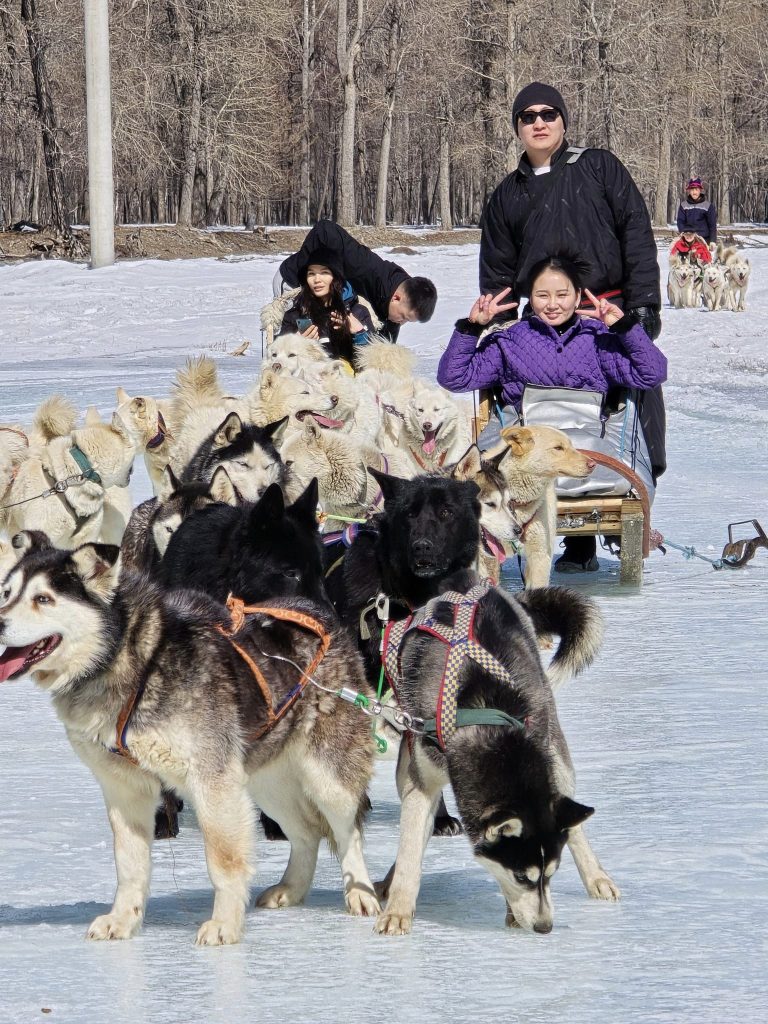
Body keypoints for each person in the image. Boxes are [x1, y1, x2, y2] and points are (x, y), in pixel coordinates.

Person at [478, 81, 666, 568]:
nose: (539, 123)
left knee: (629, 418)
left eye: (548, 114)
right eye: (528, 116)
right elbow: (499, 273)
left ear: (563, 120)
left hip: (605, 313)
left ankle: (631, 507)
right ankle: (572, 537)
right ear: (518, 127)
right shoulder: (507, 195)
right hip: (541, 322)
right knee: (547, 419)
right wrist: (496, 329)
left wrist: (642, 306)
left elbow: (636, 233)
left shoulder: (598, 167)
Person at [437, 256, 667, 572]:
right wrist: (472, 327)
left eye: (562, 295)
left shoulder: (597, 339)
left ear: (577, 295)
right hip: (525, 457)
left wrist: (624, 327)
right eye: (542, 295)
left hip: (587, 449)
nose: (552, 304)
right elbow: (454, 377)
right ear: (530, 296)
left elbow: (652, 373)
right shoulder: (509, 340)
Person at [277, 220, 437, 342]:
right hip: (292, 281)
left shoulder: (397, 297)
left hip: (329, 298)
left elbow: (382, 344)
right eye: (403, 317)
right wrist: (309, 277)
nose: (401, 323)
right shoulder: (364, 265)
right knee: (299, 342)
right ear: (396, 298)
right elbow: (324, 230)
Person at [278, 246, 374, 364]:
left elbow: (375, 365)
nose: (317, 279)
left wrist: (359, 334)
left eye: (324, 272)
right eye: (311, 273)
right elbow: (276, 359)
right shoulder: (295, 315)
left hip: (349, 380)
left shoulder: (358, 312)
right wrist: (294, 342)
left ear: (336, 277)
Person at [676, 178, 717, 244]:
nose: (694, 192)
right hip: (688, 238)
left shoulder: (708, 205)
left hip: (704, 239)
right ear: (689, 191)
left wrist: (713, 240)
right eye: (692, 190)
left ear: (700, 190)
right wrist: (684, 234)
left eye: (696, 189)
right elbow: (680, 222)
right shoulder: (683, 205)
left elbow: (712, 225)